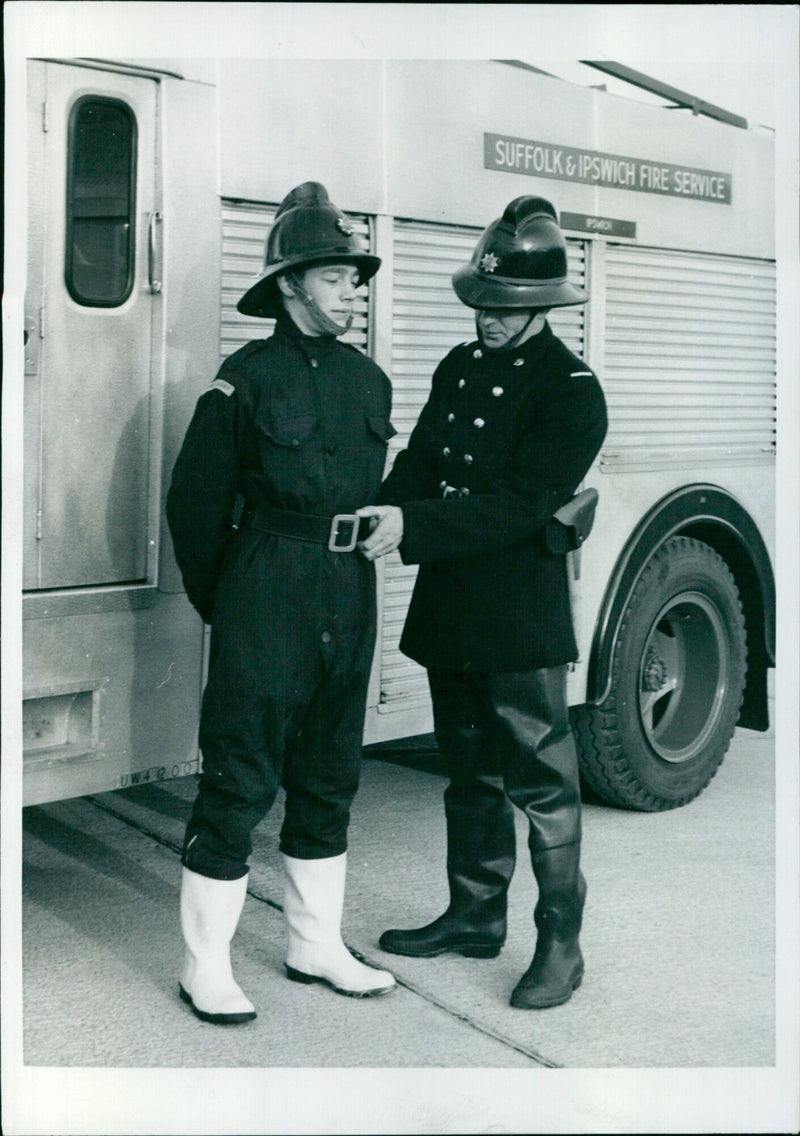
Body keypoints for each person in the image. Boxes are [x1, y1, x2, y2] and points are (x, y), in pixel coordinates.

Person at [357, 195, 608, 1010]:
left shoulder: (572, 391)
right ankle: (473, 916)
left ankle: (561, 946)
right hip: (456, 603)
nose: (489, 320)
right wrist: (380, 509)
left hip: (518, 615)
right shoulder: (459, 368)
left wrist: (411, 524)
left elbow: (519, 503)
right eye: (482, 304)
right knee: (468, 773)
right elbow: (425, 459)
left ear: (540, 307)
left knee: (541, 784)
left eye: (505, 308)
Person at [166, 182, 397, 1025]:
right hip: (268, 582)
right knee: (239, 775)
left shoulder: (369, 383)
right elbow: (194, 507)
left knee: (331, 772)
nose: (353, 290)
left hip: (349, 588)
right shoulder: (245, 381)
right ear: (293, 284)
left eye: (355, 278)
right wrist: (230, 602)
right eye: (337, 277)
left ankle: (314, 943)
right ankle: (205, 966)